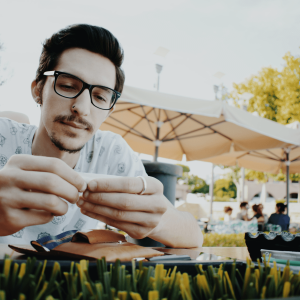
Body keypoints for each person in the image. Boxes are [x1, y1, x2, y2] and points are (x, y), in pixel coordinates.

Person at [0, 24, 202, 248]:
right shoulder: (3, 136)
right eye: (67, 86)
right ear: (38, 89)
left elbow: (193, 236)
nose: (82, 107)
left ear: (109, 110)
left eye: (100, 97)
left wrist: (159, 222)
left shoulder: (111, 153)